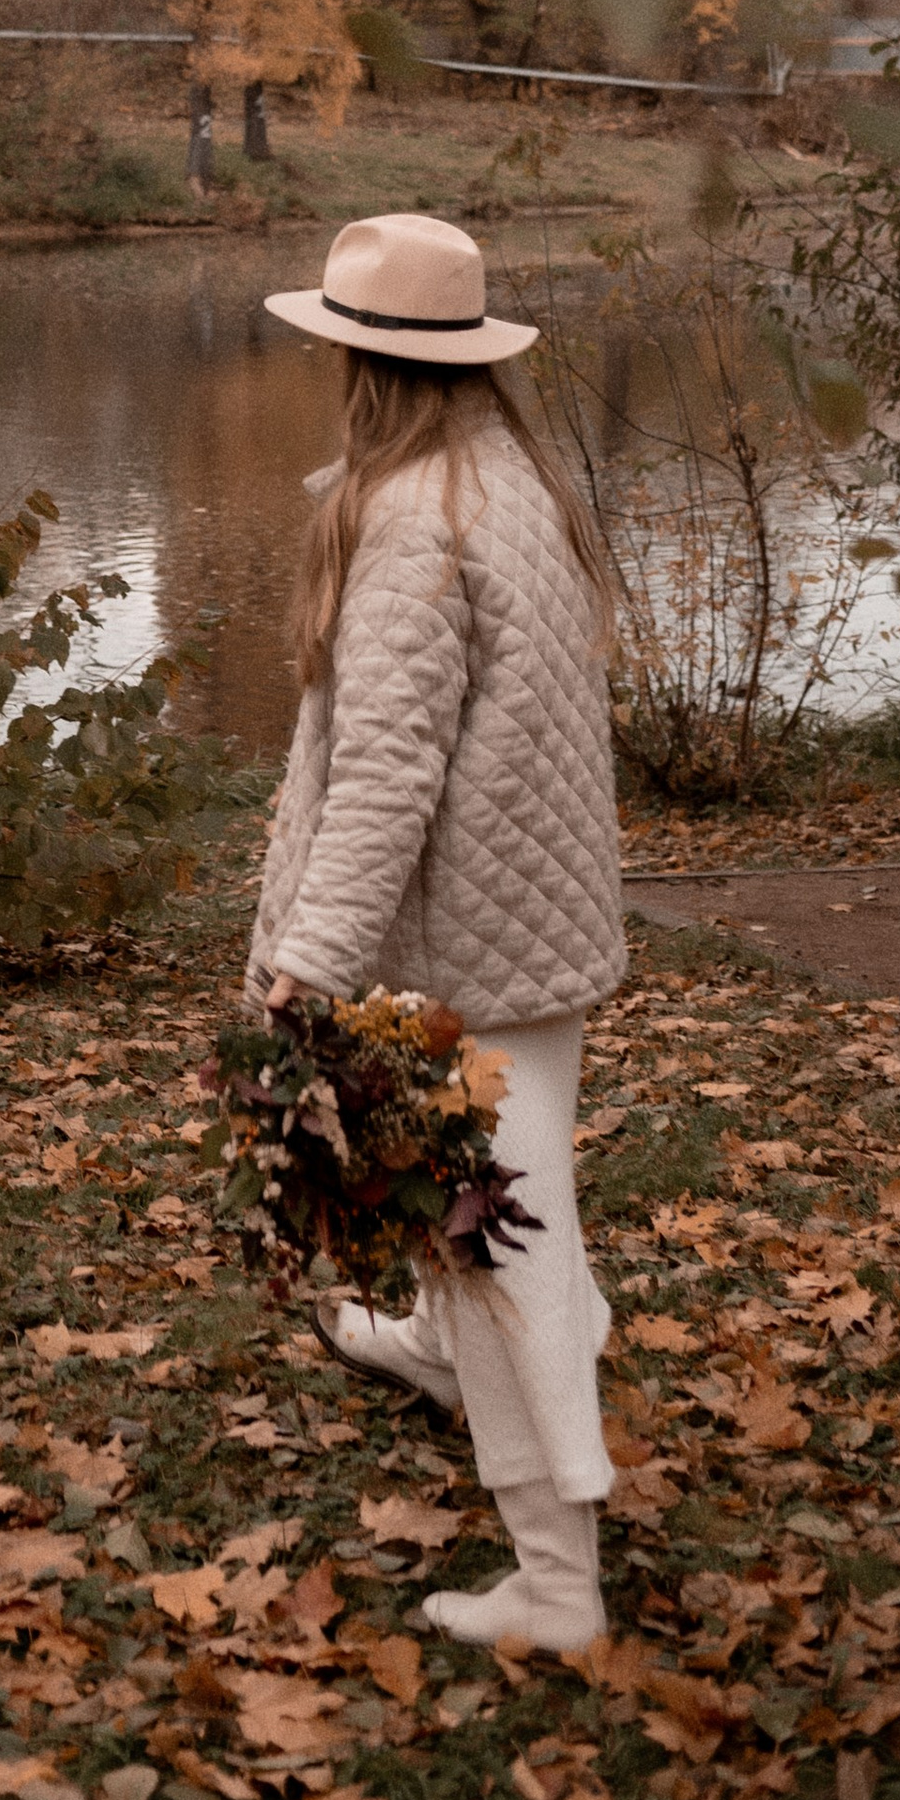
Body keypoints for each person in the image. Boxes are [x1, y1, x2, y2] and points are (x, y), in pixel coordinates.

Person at [250, 212, 625, 1652]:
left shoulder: (412, 522)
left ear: (361, 357)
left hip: (463, 945)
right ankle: (435, 1347)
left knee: (501, 1230)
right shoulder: (505, 471)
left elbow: (388, 773)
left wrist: (309, 963)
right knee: (487, 1191)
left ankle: (557, 1571)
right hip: (530, 927)